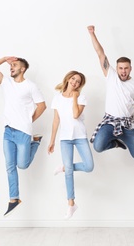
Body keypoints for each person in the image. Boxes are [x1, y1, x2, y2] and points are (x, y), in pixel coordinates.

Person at [0, 56, 46, 217]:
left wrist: (29, 120)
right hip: (8, 131)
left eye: (15, 65)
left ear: (23, 69)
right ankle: (14, 198)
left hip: (24, 131)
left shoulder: (31, 86)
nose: (11, 67)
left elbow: (42, 105)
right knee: (9, 166)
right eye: (10, 65)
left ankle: (36, 141)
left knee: (23, 165)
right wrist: (4, 58)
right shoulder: (6, 82)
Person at [87, 25, 134, 161]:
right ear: (116, 68)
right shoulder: (111, 76)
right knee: (98, 146)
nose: (123, 71)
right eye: (120, 68)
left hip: (127, 125)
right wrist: (92, 34)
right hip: (110, 122)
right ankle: (116, 143)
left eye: (126, 68)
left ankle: (123, 137)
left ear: (130, 68)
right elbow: (100, 53)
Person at [48, 71, 94, 220]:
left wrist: (74, 97)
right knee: (69, 173)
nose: (75, 82)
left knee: (89, 166)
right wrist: (52, 140)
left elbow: (75, 115)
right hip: (65, 138)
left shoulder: (81, 97)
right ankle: (71, 204)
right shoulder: (57, 98)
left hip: (80, 136)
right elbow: (56, 120)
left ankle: (64, 167)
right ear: (68, 79)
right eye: (73, 79)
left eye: (78, 82)